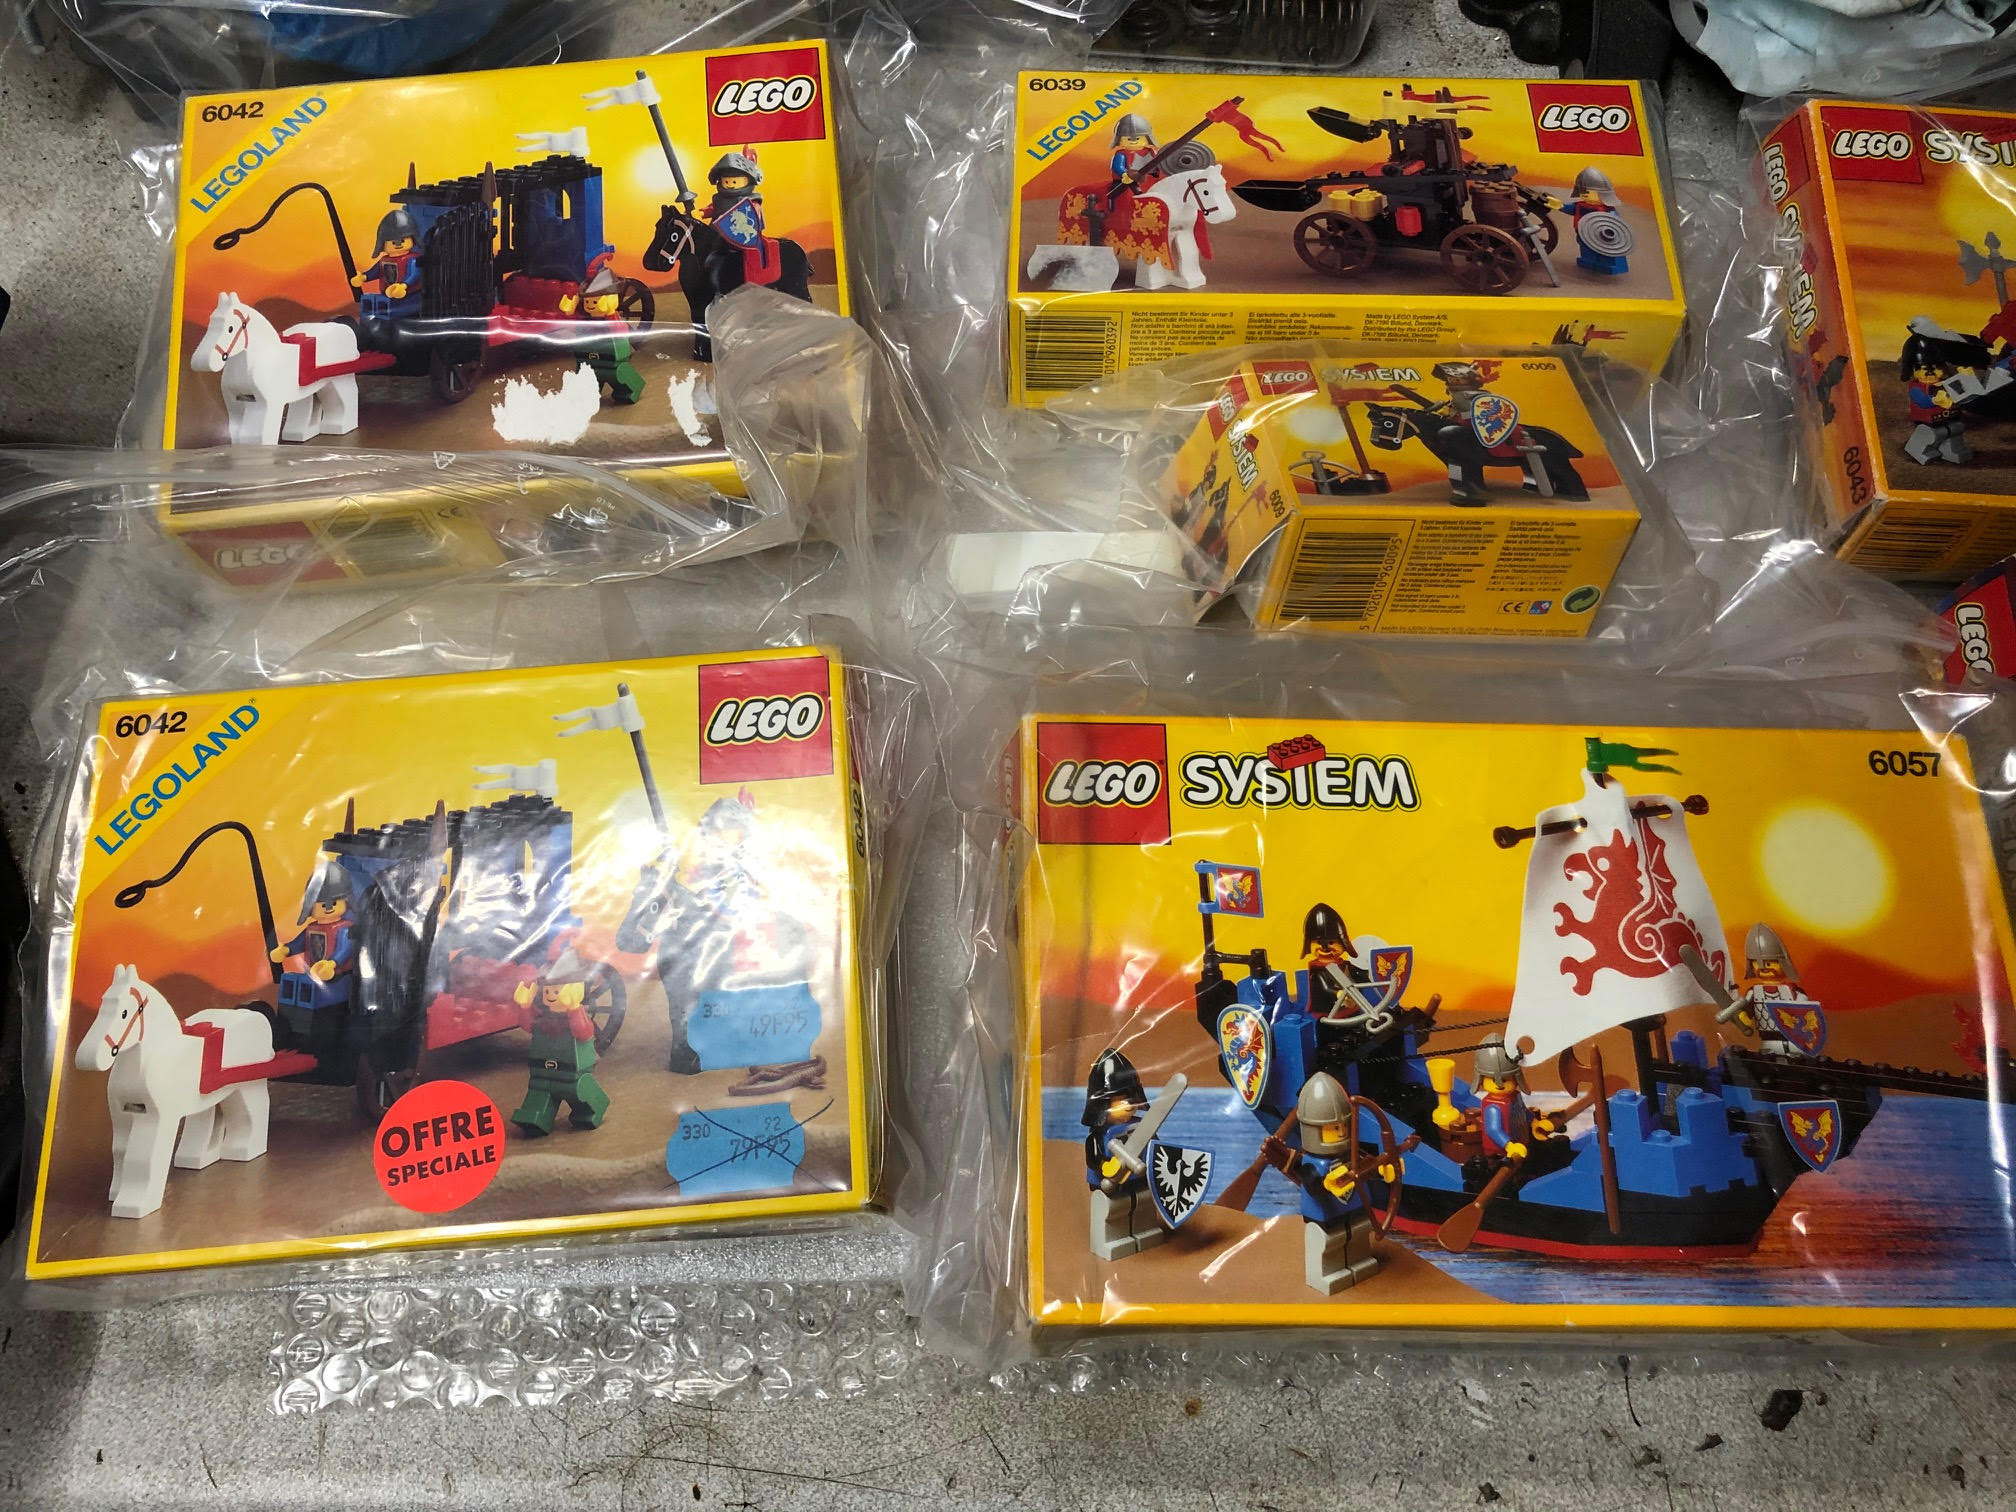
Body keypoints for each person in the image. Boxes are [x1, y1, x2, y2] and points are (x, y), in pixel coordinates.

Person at [1262, 1072, 1393, 1293]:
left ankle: (1359, 1263)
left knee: (1358, 1235)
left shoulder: (1352, 1155)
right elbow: (1312, 1185)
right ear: (1314, 1130)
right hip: (1324, 1218)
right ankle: (1326, 1274)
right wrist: (1328, 1182)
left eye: (1342, 1127)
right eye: (1333, 1129)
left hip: (1356, 1211)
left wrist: (1381, 1169)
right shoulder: (1313, 1164)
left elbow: (1368, 1167)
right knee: (1327, 1243)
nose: (1340, 1133)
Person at [510, 948, 611, 1135]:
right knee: (540, 1089)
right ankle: (536, 1115)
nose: (551, 995)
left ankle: (592, 1107)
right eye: (547, 990)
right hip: (543, 1069)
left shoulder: (575, 1014)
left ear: (575, 989)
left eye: (556, 990)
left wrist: (573, 1008)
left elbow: (584, 1032)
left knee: (577, 1090)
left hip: (573, 1068)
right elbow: (528, 1025)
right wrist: (525, 1006)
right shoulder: (544, 1019)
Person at [1083, 1049, 1165, 1260]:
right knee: (1112, 1210)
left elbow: (1154, 1147)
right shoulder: (1099, 1136)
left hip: (1139, 1180)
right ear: (1103, 1104)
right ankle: (1112, 1240)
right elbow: (1093, 1155)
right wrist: (1104, 1166)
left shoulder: (1141, 1127)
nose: (1128, 1106)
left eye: (1130, 1099)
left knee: (1143, 1204)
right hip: (1110, 1185)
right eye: (1120, 1100)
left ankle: (1144, 1232)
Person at [271, 856, 356, 1039]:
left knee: (321, 999)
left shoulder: (345, 928)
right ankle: (292, 1027)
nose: (328, 908)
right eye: (322, 904)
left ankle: (317, 1031)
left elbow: (345, 948)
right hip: (313, 975)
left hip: (337, 977)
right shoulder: (312, 928)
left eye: (333, 903)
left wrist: (332, 964)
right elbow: (299, 943)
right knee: (292, 984)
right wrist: (285, 950)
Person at [351, 208, 423, 319]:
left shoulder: (412, 259)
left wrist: (403, 286)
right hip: (388, 295)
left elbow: (413, 274)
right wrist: (363, 277)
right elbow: (375, 271)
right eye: (393, 242)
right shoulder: (384, 260)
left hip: (409, 296)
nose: (398, 244)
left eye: (402, 240)